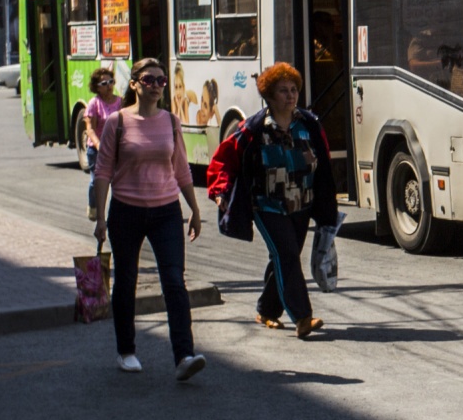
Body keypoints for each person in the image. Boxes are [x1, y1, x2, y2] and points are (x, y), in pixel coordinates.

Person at [93, 56, 206, 380]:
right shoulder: (118, 122)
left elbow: (181, 169)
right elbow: (102, 171)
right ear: (134, 84)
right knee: (126, 281)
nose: (157, 85)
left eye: (161, 80)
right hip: (125, 211)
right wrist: (100, 218)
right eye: (149, 80)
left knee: (174, 281)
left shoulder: (171, 121)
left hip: (167, 211)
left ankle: (184, 355)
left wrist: (195, 211)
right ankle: (126, 351)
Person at [211, 62, 337, 338]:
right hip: (266, 205)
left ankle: (266, 310)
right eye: (283, 91)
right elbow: (223, 161)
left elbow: (324, 164)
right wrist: (220, 192)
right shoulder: (253, 129)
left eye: (294, 90)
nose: (290, 96)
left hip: (301, 204)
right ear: (269, 96)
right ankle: (302, 317)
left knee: (283, 257)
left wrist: (327, 205)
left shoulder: (309, 125)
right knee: (288, 254)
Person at [80, 66, 119, 219]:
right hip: (97, 150)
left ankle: (118, 211)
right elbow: (90, 129)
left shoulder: (120, 102)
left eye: (111, 82)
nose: (108, 86)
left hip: (116, 149)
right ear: (96, 87)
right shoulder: (94, 104)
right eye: (104, 84)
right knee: (96, 181)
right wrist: (99, 146)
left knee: (119, 181)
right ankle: (94, 207)